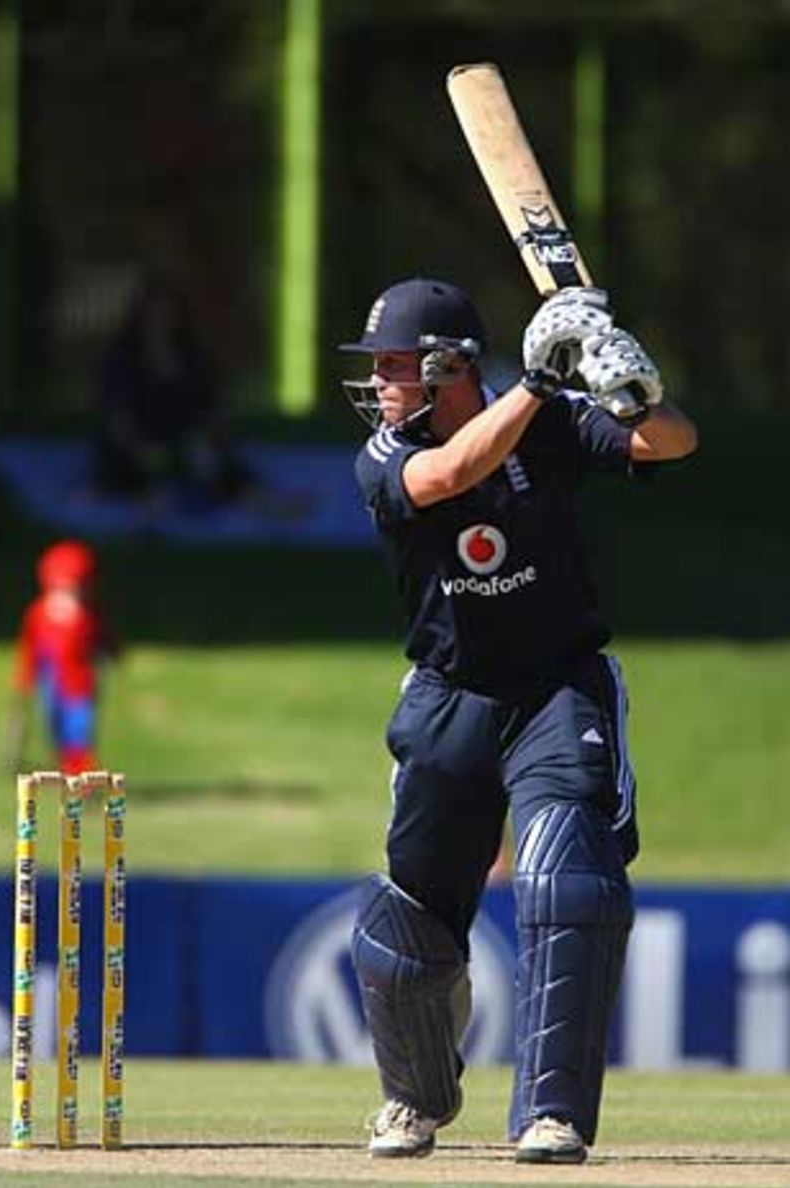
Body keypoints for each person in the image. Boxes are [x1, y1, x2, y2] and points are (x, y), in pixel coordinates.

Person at [339, 278, 696, 1164]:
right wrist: (537, 383)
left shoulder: (557, 420)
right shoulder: (386, 454)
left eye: (397, 363)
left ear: (451, 365)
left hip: (554, 689)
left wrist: (633, 389)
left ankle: (553, 1115)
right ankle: (413, 1102)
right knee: (404, 926)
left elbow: (672, 443)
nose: (380, 381)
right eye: (376, 364)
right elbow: (451, 474)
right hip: (448, 694)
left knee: (571, 881)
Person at [92, 275, 255, 513]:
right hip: (138, 447)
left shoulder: (194, 357)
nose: (161, 320)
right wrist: (140, 448)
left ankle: (259, 502)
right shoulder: (122, 359)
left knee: (215, 461)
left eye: (168, 313)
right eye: (155, 313)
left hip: (188, 445)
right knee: (125, 464)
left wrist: (200, 440)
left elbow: (215, 410)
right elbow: (118, 416)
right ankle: (145, 503)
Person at [0, 539, 119, 776]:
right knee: (55, 729)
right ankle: (69, 769)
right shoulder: (39, 614)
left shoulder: (89, 617)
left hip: (81, 687)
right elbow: (30, 649)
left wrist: (111, 654)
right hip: (51, 684)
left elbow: (106, 641)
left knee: (78, 733)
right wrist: (24, 679)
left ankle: (81, 773)